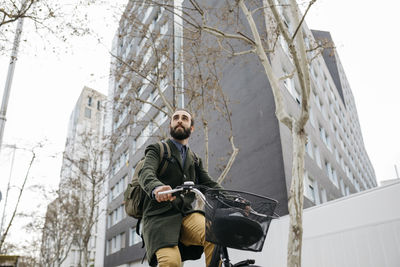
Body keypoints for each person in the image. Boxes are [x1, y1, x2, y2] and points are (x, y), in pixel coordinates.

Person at [139, 109, 222, 267]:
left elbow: (210, 184)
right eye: (175, 118)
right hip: (159, 218)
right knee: (171, 262)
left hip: (185, 216)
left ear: (191, 128)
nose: (179, 120)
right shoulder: (158, 149)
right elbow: (146, 173)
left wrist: (234, 200)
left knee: (214, 233)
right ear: (170, 125)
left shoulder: (195, 159)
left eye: (184, 118)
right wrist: (156, 188)